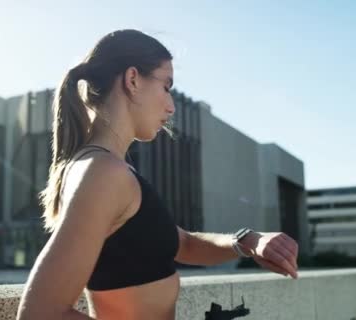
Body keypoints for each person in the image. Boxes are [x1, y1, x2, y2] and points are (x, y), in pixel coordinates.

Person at [16, 29, 299, 320]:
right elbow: (39, 314)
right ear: (133, 80)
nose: (171, 106)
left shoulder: (108, 170)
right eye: (166, 86)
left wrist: (248, 241)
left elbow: (184, 244)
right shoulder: (102, 173)